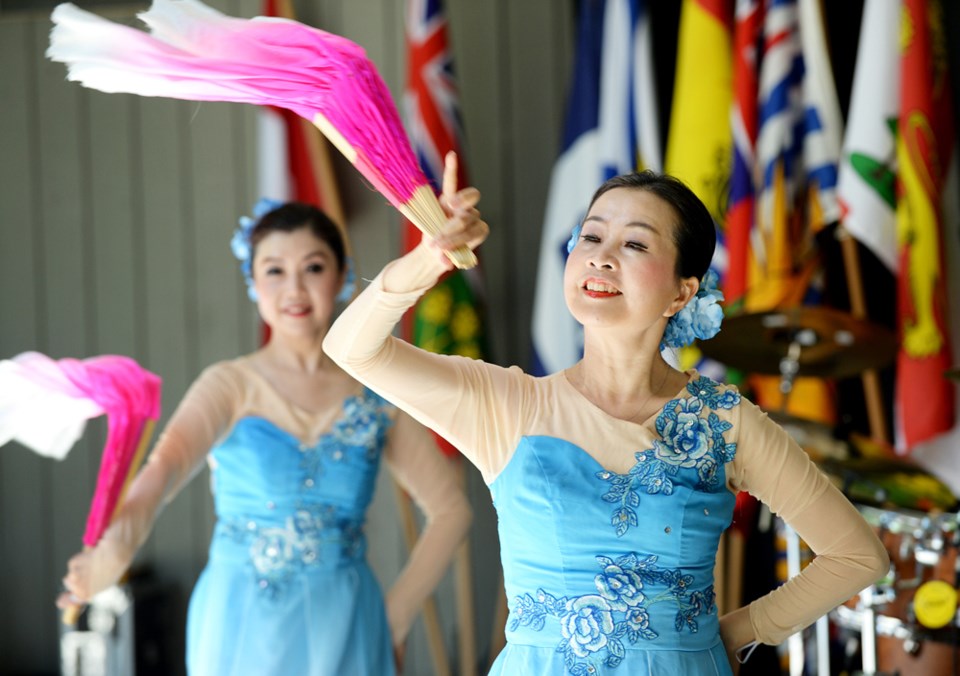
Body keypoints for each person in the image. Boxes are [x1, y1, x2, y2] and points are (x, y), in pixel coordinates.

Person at [323, 153, 889, 674]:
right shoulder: (506, 404)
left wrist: (732, 634)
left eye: (636, 245)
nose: (601, 253)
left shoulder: (725, 421)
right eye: (590, 235)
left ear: (681, 293)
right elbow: (351, 349)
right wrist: (427, 260)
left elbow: (856, 554)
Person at [58, 201, 472, 676]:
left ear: (342, 276)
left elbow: (451, 511)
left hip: (350, 622)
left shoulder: (378, 392)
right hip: (241, 621)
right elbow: (164, 469)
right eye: (274, 270)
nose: (294, 288)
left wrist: (396, 615)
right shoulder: (228, 385)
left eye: (313, 267)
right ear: (254, 283)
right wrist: (115, 550)